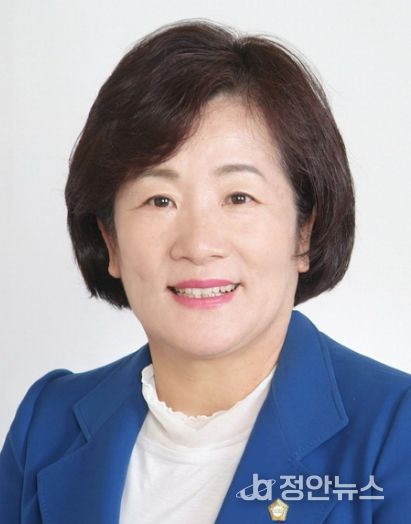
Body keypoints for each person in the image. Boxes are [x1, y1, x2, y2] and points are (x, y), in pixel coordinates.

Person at [1, 19, 410, 524]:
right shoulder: (46, 425)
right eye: (159, 200)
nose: (197, 245)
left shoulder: (396, 432)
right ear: (111, 241)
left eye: (238, 197)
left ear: (303, 232)